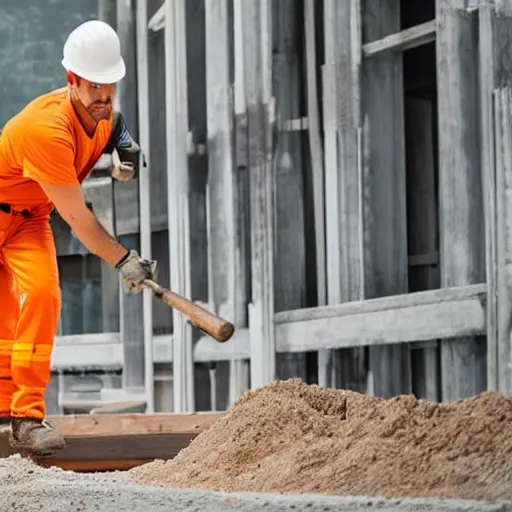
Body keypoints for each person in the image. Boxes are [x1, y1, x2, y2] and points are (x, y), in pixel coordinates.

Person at [0, 19, 157, 456]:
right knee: (3, 316)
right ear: (71, 80)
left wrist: (127, 151)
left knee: (44, 296)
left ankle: (25, 418)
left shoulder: (102, 113)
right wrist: (124, 259)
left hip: (27, 219)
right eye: (94, 89)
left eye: (110, 89)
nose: (103, 100)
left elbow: (117, 128)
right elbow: (80, 221)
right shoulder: (45, 130)